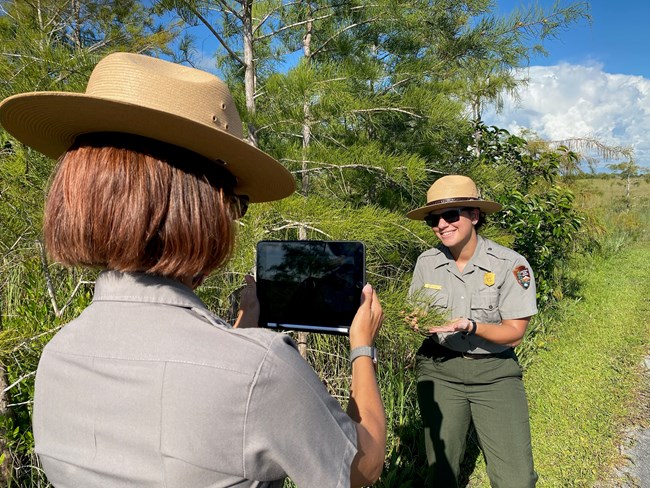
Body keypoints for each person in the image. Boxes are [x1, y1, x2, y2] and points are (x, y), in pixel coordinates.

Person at [0, 52, 386, 487]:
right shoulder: (263, 369)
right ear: (200, 210)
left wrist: (242, 329)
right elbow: (361, 466)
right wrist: (361, 347)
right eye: (234, 205)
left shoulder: (58, 355)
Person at [405, 175, 538, 487]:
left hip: (494, 373)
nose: (442, 225)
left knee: (516, 478)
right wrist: (414, 319)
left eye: (451, 215)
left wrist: (472, 326)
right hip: (439, 369)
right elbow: (416, 309)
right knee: (441, 470)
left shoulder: (510, 265)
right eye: (433, 219)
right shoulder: (427, 262)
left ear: (475, 216)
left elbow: (515, 333)